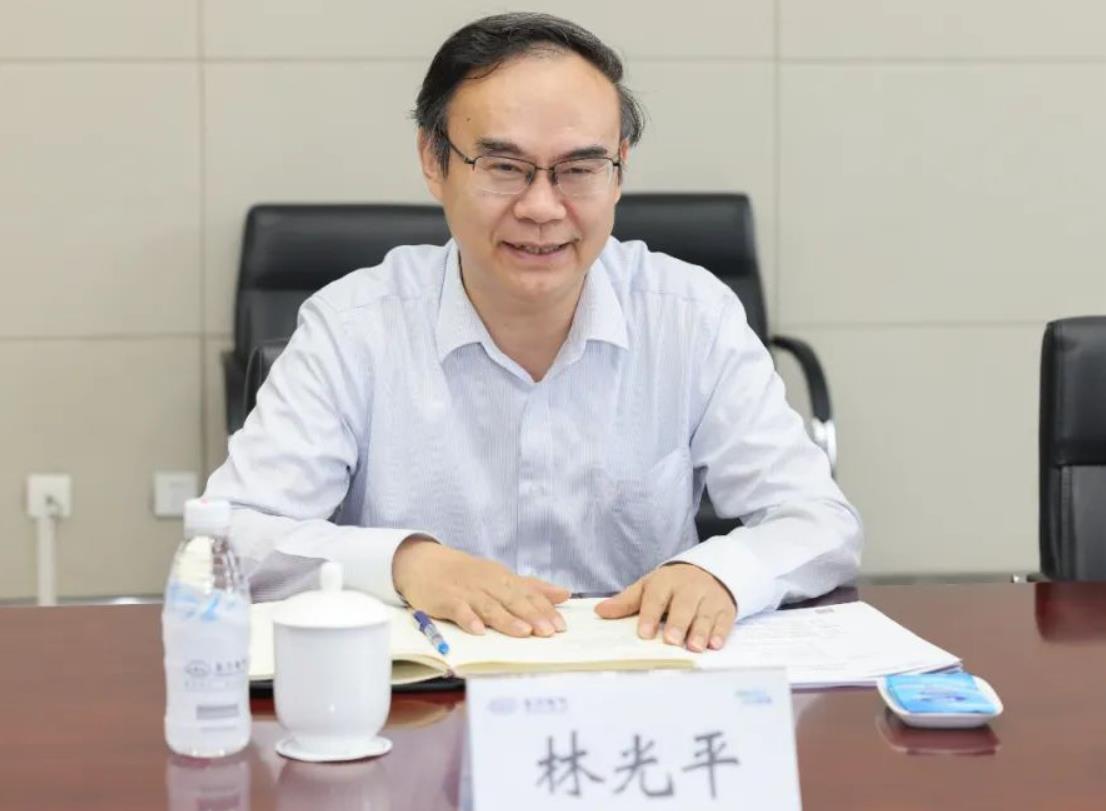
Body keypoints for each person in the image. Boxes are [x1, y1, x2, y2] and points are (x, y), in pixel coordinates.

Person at [205, 12, 862, 653]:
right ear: (434, 161)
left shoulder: (691, 316)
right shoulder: (353, 329)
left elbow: (818, 519)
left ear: (619, 168)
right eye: (504, 167)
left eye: (579, 169)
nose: (543, 208)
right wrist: (404, 562)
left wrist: (720, 572)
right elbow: (227, 536)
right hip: (427, 696)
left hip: (637, 684)